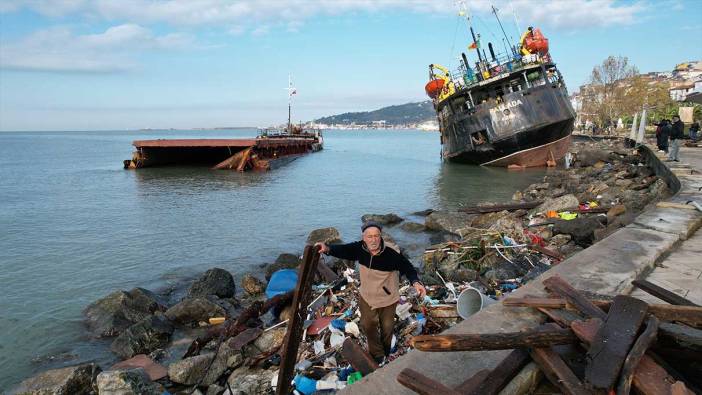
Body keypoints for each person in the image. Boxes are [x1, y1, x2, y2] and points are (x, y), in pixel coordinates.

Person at [315, 221, 426, 364]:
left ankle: (385, 352)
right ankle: (378, 355)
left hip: (388, 299)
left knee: (387, 329)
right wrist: (327, 248)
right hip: (367, 296)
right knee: (368, 326)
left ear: (380, 237)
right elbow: (344, 250)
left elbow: (407, 267)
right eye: (369, 237)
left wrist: (416, 282)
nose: (373, 240)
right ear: (364, 238)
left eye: (376, 236)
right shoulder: (359, 249)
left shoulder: (390, 254)